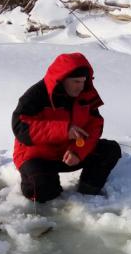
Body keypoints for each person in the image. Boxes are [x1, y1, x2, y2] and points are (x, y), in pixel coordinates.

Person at [12, 52, 121, 202]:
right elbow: (20, 128)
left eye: (83, 81)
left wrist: (78, 151)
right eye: (76, 82)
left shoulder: (86, 94)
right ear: (62, 79)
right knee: (42, 190)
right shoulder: (36, 95)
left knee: (110, 150)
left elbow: (95, 126)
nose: (81, 87)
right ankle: (49, 195)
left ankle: (87, 194)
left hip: (69, 152)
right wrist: (64, 131)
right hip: (37, 155)